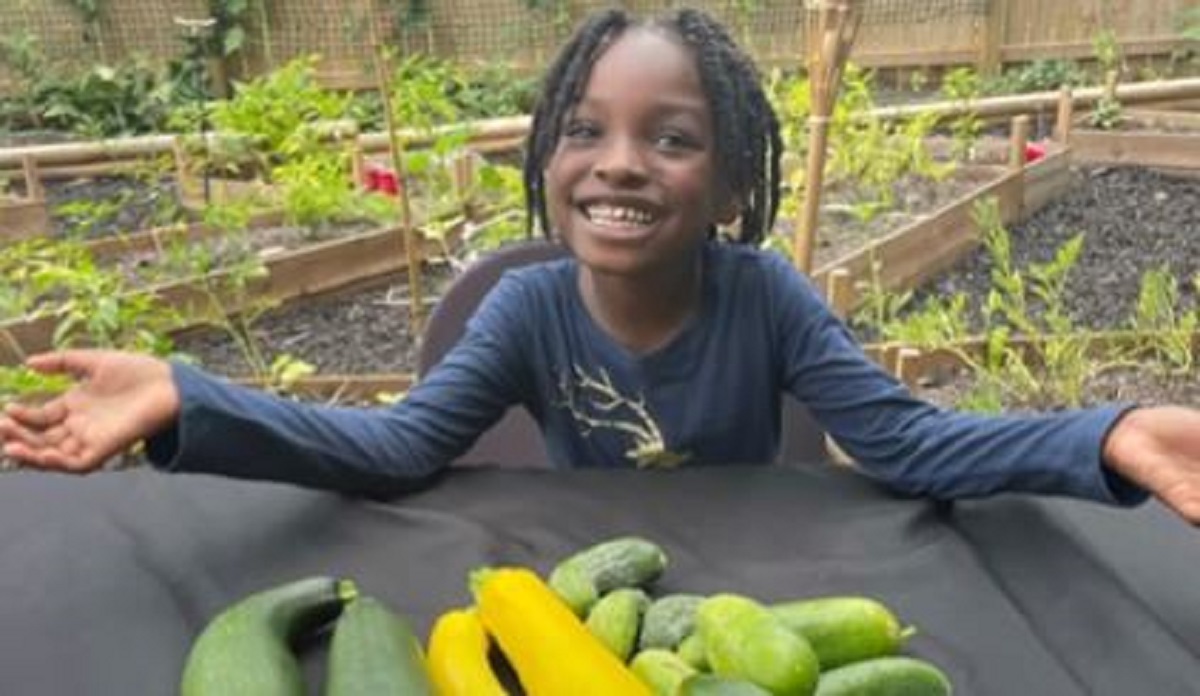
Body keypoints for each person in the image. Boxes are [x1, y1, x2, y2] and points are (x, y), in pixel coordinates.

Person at [1, 8, 1198, 524]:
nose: (618, 164)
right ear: (547, 159)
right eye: (585, 131)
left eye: (669, 139)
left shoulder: (767, 298)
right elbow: (398, 446)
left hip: (751, 594)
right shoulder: (526, 312)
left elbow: (909, 443)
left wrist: (1106, 435)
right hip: (593, 604)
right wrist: (186, 398)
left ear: (731, 185)